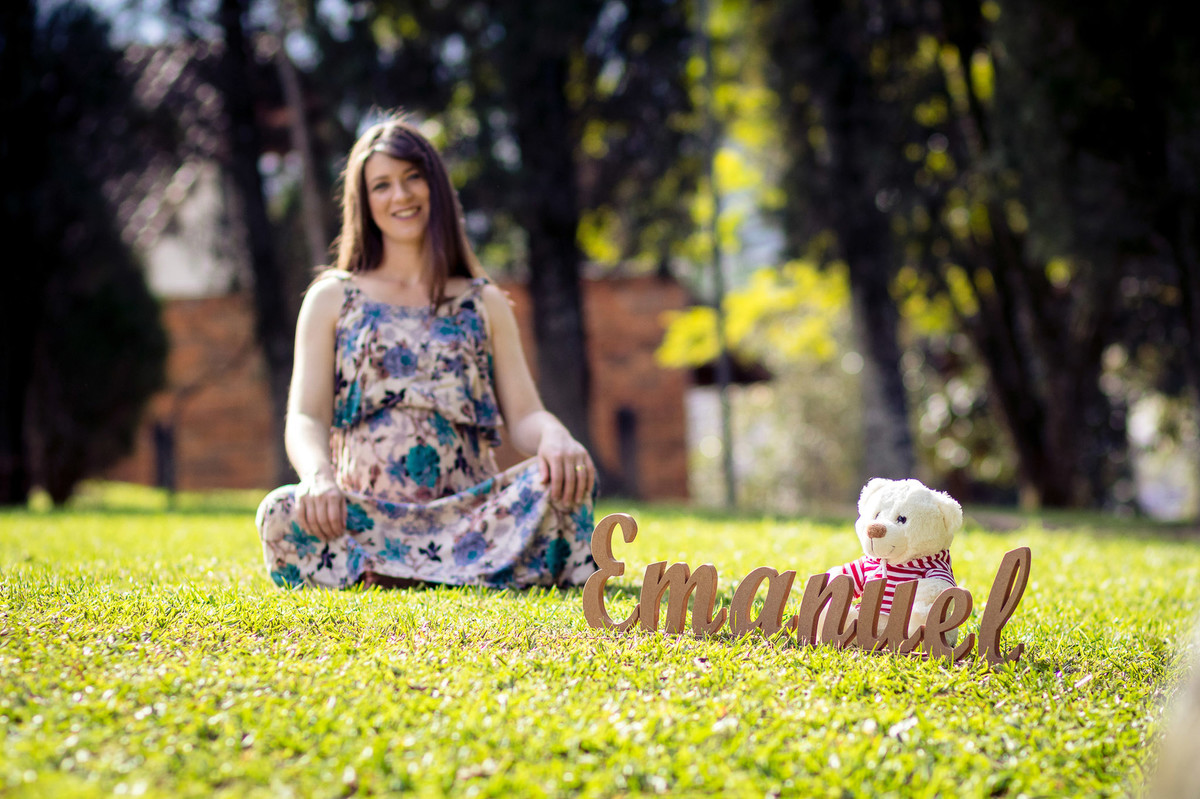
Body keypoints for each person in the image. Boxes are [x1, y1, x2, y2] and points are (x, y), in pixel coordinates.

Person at [256, 114, 598, 590]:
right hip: (367, 519)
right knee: (280, 512)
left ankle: (432, 568)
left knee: (562, 483)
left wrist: (556, 438)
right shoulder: (332, 298)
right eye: (382, 185)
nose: (401, 195)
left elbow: (524, 416)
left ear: (435, 186)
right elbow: (306, 416)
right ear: (364, 201)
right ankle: (451, 571)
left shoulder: (484, 302)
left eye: (413, 177)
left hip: (472, 521)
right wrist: (317, 477)